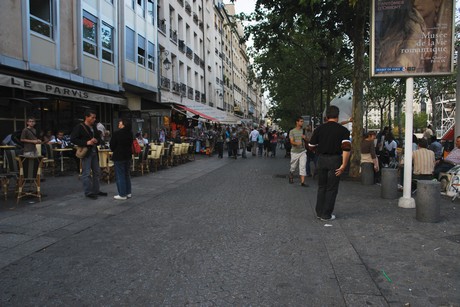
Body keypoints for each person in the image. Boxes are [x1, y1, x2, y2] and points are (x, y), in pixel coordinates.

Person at [376, 0, 452, 74]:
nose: (415, 3)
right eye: (412, 0)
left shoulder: (445, 41)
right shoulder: (403, 30)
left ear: (437, 2)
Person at [309, 106, 351, 221]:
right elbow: (346, 149)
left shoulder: (319, 129)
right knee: (332, 188)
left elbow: (311, 146)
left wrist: (318, 150)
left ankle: (319, 212)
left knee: (321, 186)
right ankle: (326, 214)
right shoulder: (344, 131)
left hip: (321, 159)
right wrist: (343, 165)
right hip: (335, 160)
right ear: (337, 117)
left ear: (326, 117)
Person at [70, 110, 107, 200]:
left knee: (97, 172)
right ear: (86, 117)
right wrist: (86, 142)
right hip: (86, 152)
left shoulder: (94, 127)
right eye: (92, 117)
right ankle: (88, 192)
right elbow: (73, 139)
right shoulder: (79, 127)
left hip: (94, 151)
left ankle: (96, 190)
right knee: (86, 173)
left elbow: (98, 137)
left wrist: (96, 140)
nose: (94, 119)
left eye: (95, 117)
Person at [110, 118, 133, 200]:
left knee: (120, 175)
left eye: (120, 123)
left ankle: (122, 194)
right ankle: (128, 192)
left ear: (123, 124)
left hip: (119, 156)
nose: (118, 124)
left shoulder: (117, 133)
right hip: (128, 156)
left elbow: (112, 145)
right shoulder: (130, 133)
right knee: (126, 174)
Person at [289, 117, 308, 187]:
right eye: (301, 121)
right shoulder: (292, 131)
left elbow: (307, 139)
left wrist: (305, 138)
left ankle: (303, 182)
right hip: (294, 152)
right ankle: (291, 174)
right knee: (293, 166)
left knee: (303, 166)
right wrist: (296, 143)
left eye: (302, 121)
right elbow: (291, 141)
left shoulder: (303, 130)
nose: (302, 123)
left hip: (303, 151)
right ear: (297, 122)